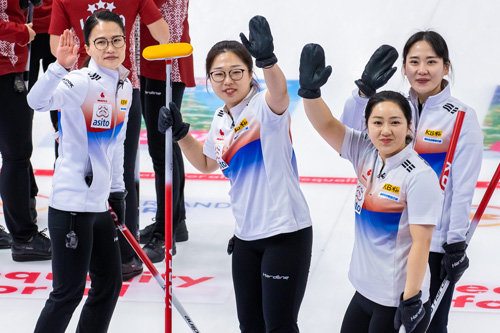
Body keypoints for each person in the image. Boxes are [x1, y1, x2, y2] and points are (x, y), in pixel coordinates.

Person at [160, 15, 313, 332]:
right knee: (250, 326)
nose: (227, 81)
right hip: (245, 237)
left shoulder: (265, 108)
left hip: (284, 235)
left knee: (280, 325)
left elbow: (280, 92)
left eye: (236, 73)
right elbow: (205, 164)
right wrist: (181, 134)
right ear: (209, 79)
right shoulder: (220, 118)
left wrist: (268, 61)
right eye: (218, 74)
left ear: (249, 74)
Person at [340, 31, 484, 332]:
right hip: (390, 239)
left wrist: (455, 241)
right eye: (414, 61)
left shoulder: (460, 117)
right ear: (403, 68)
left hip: (432, 241)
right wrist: (362, 93)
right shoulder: (393, 109)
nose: (422, 70)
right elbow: (350, 129)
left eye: (431, 62)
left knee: (429, 326)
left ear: (446, 67)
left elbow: (463, 186)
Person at [299, 43, 443, 333]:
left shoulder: (419, 177)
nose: (385, 130)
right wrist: (310, 93)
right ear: (367, 125)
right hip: (363, 289)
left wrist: (412, 298)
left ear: (409, 127)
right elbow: (325, 123)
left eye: (395, 122)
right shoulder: (365, 150)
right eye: (377, 122)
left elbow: (421, 243)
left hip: (395, 299)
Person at [48, 0, 170, 280]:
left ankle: (113, 251)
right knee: (105, 167)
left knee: (111, 169)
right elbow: (163, 34)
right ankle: (116, 253)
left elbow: (57, 46)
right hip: (85, 88)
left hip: (110, 86)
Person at [27, 10, 132, 332]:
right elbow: (36, 101)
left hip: (100, 206)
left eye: (116, 40)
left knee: (109, 285)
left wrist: (117, 194)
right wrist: (59, 67)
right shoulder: (79, 81)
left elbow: (116, 147)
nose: (110, 47)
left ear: (126, 44)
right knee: (67, 293)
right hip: (72, 206)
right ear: (88, 48)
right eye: (101, 42)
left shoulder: (124, 86)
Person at [138, 0, 195, 261]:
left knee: (162, 148)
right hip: (145, 58)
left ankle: (166, 230)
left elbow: (170, 19)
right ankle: (175, 221)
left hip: (165, 60)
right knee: (163, 146)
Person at [0, 0, 50, 261]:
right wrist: (21, 32)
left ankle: (24, 234)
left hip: (10, 64)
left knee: (14, 153)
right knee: (16, 154)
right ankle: (25, 238)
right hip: (5, 67)